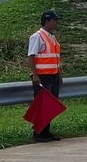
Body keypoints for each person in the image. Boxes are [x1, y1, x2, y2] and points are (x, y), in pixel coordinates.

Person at [27, 10, 63, 142]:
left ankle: (46, 132)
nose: (56, 23)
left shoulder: (52, 37)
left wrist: (59, 74)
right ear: (47, 21)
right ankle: (38, 134)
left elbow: (55, 58)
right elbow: (31, 57)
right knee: (42, 105)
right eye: (54, 20)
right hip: (42, 77)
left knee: (50, 106)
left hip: (52, 75)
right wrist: (35, 75)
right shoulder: (37, 36)